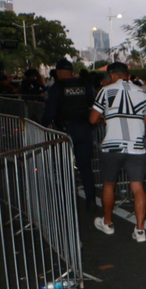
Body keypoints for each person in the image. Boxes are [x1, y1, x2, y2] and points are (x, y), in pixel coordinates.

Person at [89, 62, 146, 240]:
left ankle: (108, 223)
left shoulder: (105, 91)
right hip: (136, 147)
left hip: (112, 146)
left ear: (112, 75)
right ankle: (140, 230)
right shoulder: (141, 92)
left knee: (109, 185)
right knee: (138, 187)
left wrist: (107, 116)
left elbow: (92, 118)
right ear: (127, 74)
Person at [43, 58, 97, 209]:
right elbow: (92, 104)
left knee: (63, 165)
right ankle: (91, 199)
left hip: (65, 131)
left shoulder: (56, 88)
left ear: (59, 72)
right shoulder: (85, 85)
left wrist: (43, 125)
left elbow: (50, 111)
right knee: (85, 166)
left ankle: (66, 201)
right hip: (84, 128)